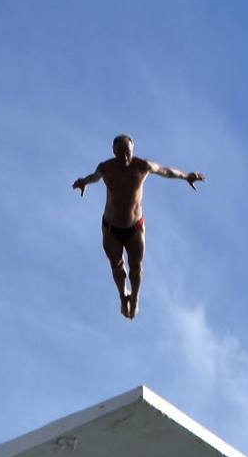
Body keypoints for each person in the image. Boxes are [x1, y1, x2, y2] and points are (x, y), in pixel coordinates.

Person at [72, 133, 205, 319]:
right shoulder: (106, 168)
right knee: (116, 266)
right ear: (113, 152)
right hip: (110, 228)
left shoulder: (142, 166)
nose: (125, 158)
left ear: (132, 150)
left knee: (135, 267)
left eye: (128, 153)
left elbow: (166, 171)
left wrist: (187, 176)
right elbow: (95, 176)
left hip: (134, 228)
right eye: (120, 154)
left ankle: (134, 297)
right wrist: (84, 182)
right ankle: (123, 296)